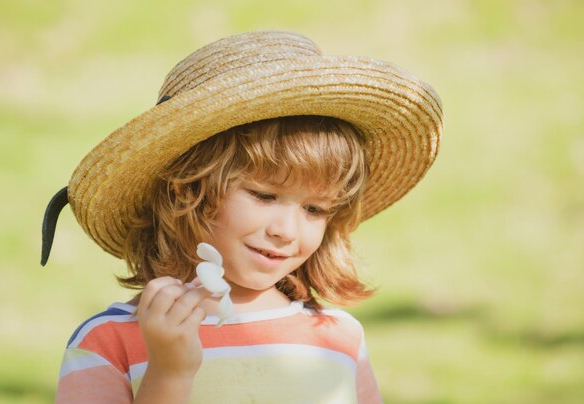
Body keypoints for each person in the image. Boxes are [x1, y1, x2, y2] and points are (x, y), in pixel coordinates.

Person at [41, 30, 443, 403]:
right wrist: (169, 373)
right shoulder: (110, 341)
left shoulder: (338, 339)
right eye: (264, 195)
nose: (286, 231)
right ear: (186, 191)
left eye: (314, 209)